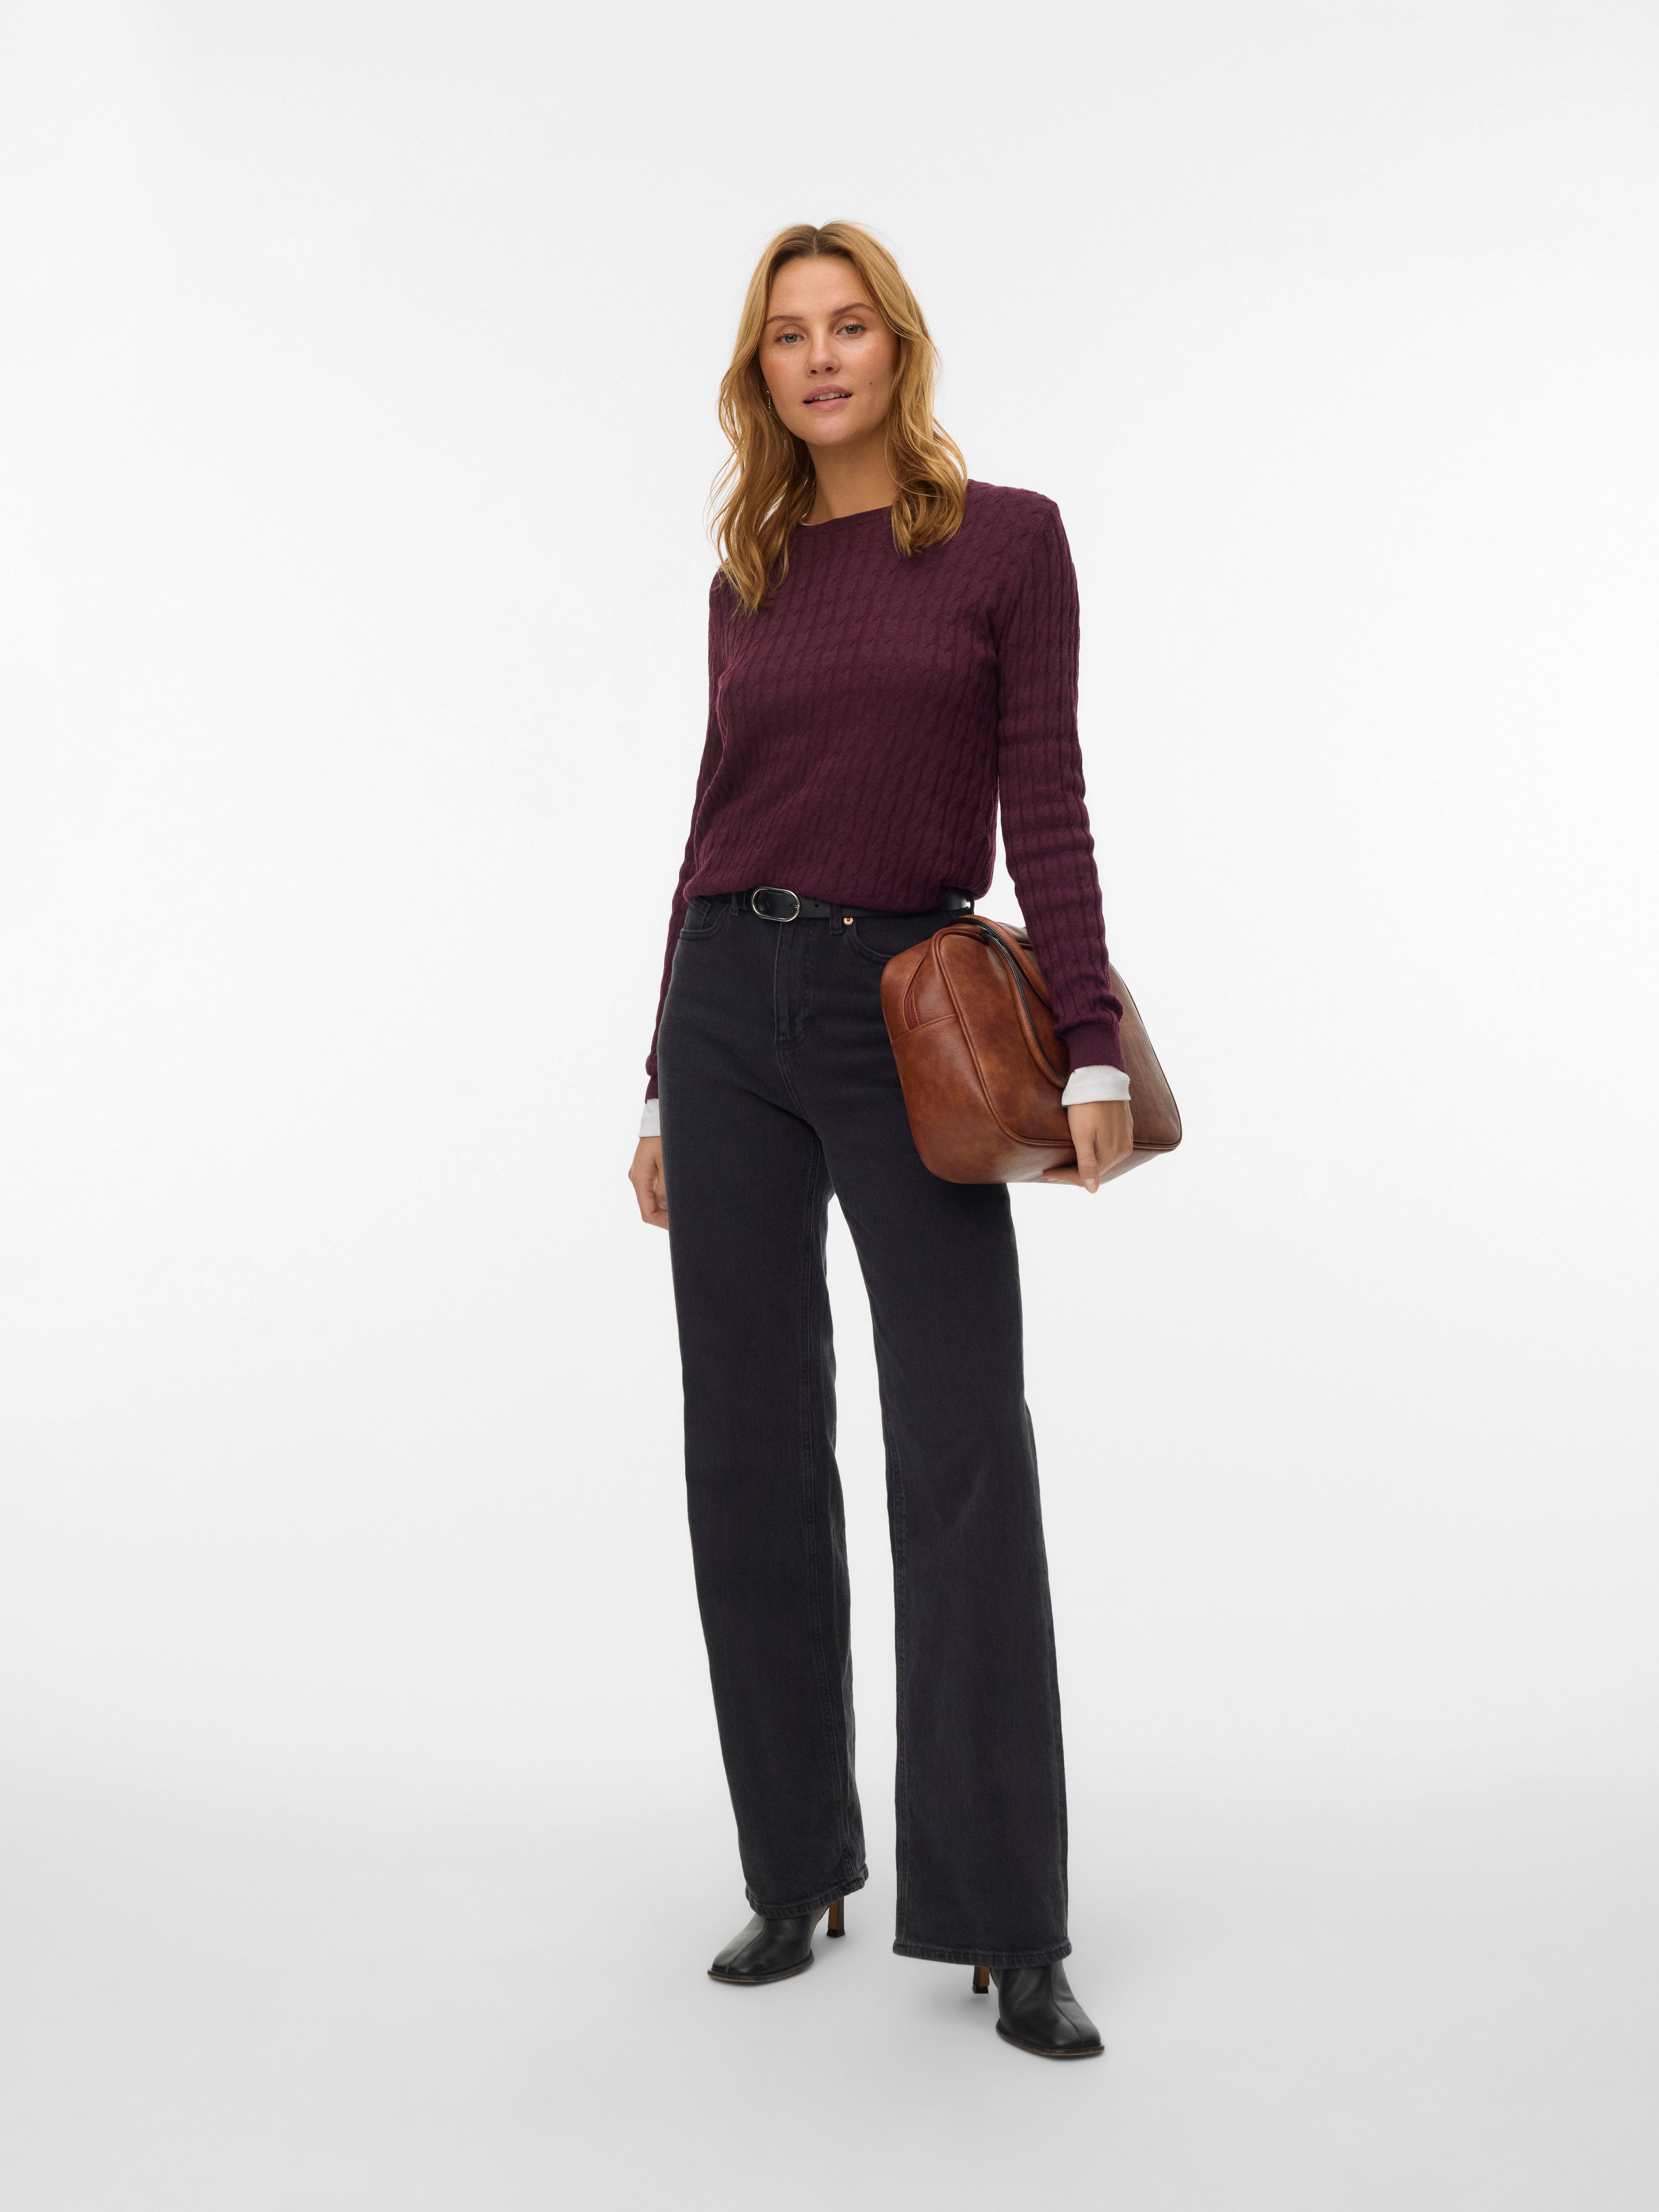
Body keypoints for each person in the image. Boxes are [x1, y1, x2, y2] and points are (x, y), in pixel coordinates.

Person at [626, 221, 1132, 2061]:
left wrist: (1090, 1045)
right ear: (758, 372)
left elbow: (1047, 799)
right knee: (748, 1449)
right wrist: (659, 1082)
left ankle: (1010, 1919)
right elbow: (710, 825)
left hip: (907, 1010)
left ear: (898, 349)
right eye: (788, 337)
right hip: (726, 1013)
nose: (821, 358)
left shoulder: (1007, 541)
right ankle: (795, 1866)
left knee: (961, 1444)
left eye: (849, 327)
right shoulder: (749, 573)